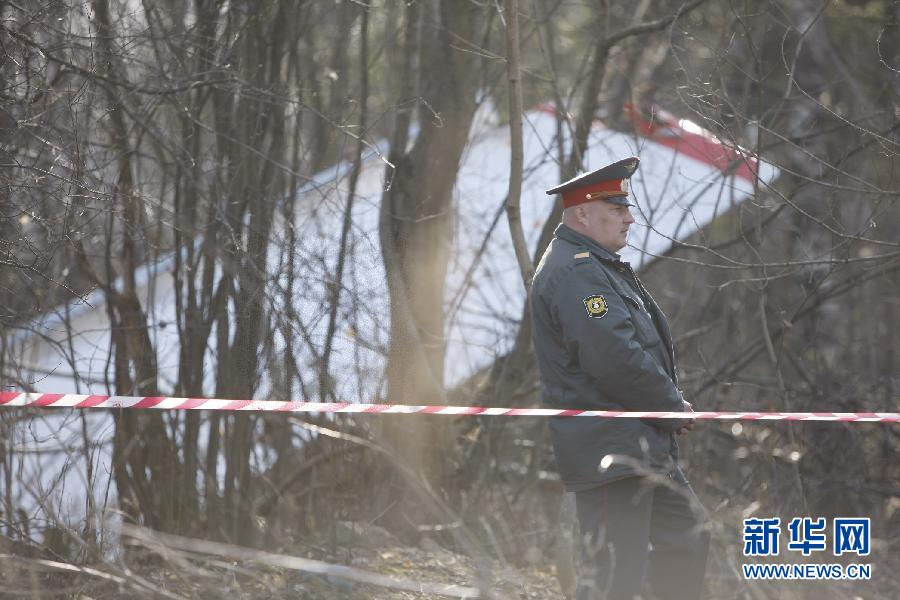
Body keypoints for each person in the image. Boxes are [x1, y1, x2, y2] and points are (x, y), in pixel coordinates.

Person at [530, 157, 710, 600]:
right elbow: (612, 356)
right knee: (614, 577)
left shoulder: (595, 264)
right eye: (617, 209)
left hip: (637, 443)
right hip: (609, 449)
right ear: (582, 213)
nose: (629, 218)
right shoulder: (576, 271)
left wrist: (664, 407)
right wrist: (668, 405)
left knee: (688, 535)